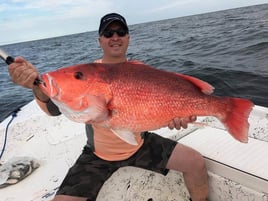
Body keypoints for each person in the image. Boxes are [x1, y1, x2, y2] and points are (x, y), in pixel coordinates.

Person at [8, 13, 208, 201]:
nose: (115, 37)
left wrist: (179, 117)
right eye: (108, 33)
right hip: (97, 157)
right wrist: (37, 86)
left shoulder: (140, 72)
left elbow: (161, 106)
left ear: (128, 38)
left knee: (195, 163)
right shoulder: (88, 73)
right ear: (100, 40)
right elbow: (54, 109)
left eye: (121, 32)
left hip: (140, 145)